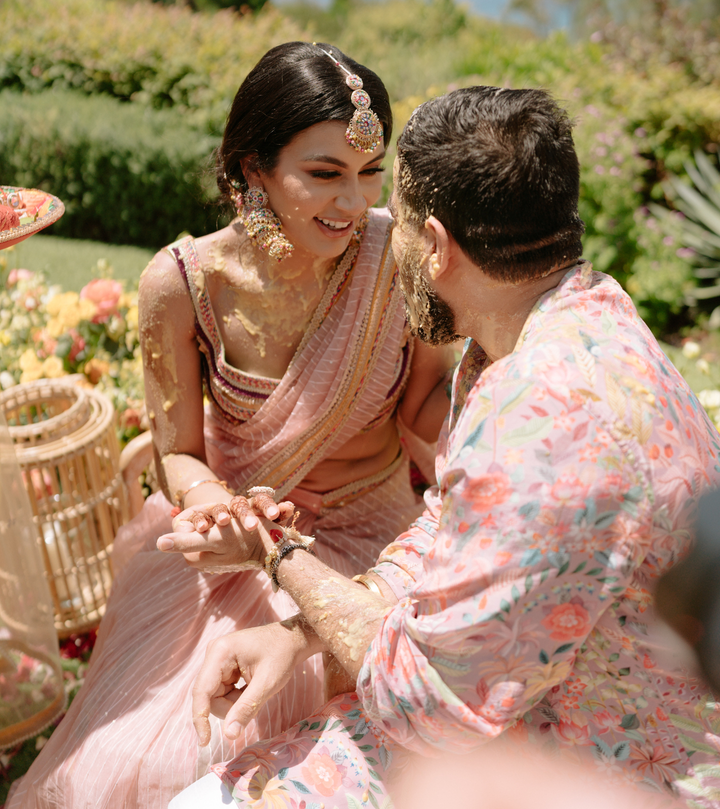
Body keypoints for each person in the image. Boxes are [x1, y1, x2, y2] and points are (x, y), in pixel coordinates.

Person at [169, 86, 720, 809]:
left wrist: (277, 556)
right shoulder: (566, 322)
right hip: (517, 712)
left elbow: (423, 705)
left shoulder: (544, 421)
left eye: (391, 220)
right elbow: (449, 526)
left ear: (434, 244)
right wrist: (299, 634)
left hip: (596, 770)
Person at [6, 43, 452, 809]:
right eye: (324, 174)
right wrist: (220, 504)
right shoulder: (181, 283)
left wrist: (506, 423)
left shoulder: (400, 256)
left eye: (369, 172)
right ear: (252, 168)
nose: (353, 202)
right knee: (158, 754)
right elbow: (177, 453)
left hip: (375, 549)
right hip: (230, 547)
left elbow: (425, 407)